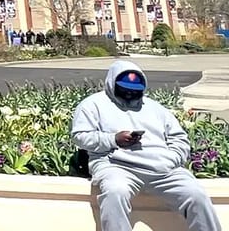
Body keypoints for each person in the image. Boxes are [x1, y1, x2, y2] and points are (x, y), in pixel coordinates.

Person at [71, 60, 221, 231]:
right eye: (124, 89)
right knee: (114, 192)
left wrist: (171, 159)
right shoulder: (92, 105)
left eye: (134, 91)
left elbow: (179, 138)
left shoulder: (156, 108)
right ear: (112, 83)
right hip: (116, 166)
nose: (129, 93)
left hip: (164, 169)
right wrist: (113, 139)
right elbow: (80, 136)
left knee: (196, 195)